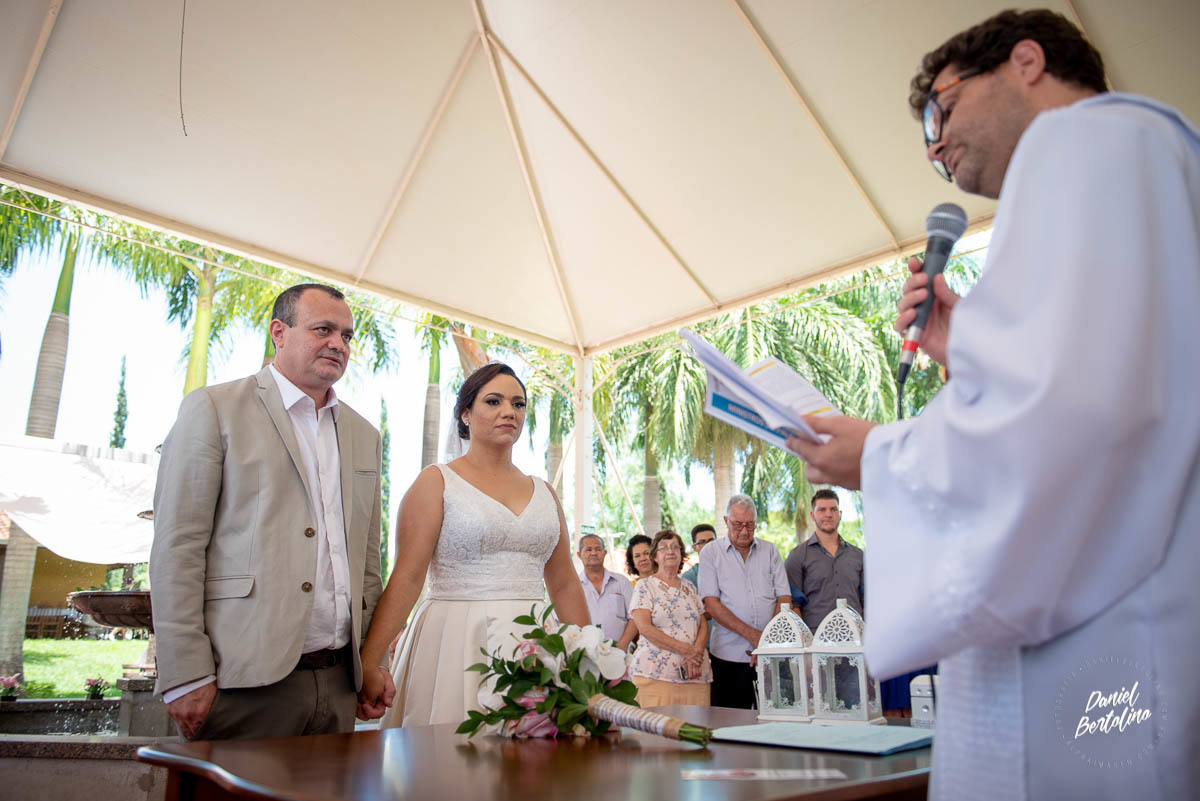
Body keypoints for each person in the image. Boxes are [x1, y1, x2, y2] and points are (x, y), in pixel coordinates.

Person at [787, 9, 1199, 799]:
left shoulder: (1090, 141)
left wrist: (876, 454)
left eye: (939, 110)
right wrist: (966, 344)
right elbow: (1102, 376)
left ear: (1027, 60)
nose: (935, 146)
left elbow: (1065, 425)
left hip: (1099, 656)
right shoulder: (1146, 157)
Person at [149, 283, 393, 740]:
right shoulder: (215, 409)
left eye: (346, 335)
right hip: (242, 681)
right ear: (278, 332)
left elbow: (366, 562)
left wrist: (371, 662)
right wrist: (184, 672)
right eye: (323, 329)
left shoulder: (364, 434)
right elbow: (177, 545)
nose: (338, 344)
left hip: (341, 682)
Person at [359, 362, 590, 728]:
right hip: (453, 641)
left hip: (533, 644)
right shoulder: (436, 482)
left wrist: (587, 659)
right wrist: (370, 662)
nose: (508, 412)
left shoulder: (546, 492)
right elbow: (407, 577)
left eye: (518, 404)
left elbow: (563, 582)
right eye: (493, 401)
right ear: (465, 414)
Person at [698, 495, 790, 709]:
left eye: (750, 525)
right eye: (737, 524)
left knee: (773, 718)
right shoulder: (711, 553)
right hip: (728, 656)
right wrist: (753, 636)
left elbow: (784, 598)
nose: (744, 531)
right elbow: (711, 604)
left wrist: (766, 640)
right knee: (731, 723)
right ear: (725, 520)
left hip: (770, 654)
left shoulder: (770, 551)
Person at [628, 530, 712, 707]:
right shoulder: (645, 586)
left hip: (695, 674)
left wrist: (695, 653)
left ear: (681, 554)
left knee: (696, 730)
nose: (670, 551)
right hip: (655, 678)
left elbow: (703, 624)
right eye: (664, 548)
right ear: (655, 557)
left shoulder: (690, 586)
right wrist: (687, 651)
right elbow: (645, 628)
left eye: (675, 547)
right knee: (655, 732)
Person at [784, 489, 864, 631]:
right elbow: (794, 605)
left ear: (840, 515)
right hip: (816, 642)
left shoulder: (858, 556)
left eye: (833, 509)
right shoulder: (797, 556)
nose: (828, 514)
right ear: (812, 515)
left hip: (856, 640)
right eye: (822, 510)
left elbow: (867, 601)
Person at [576, 533, 635, 650]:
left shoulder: (622, 582)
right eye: (588, 549)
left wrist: (622, 645)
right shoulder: (573, 586)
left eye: (598, 549)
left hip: (619, 652)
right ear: (579, 554)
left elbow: (634, 617)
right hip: (584, 654)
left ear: (604, 553)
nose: (593, 553)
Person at [680, 523, 716, 588]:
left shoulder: (727, 570)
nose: (708, 545)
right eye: (702, 542)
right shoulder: (688, 578)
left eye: (711, 541)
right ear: (694, 548)